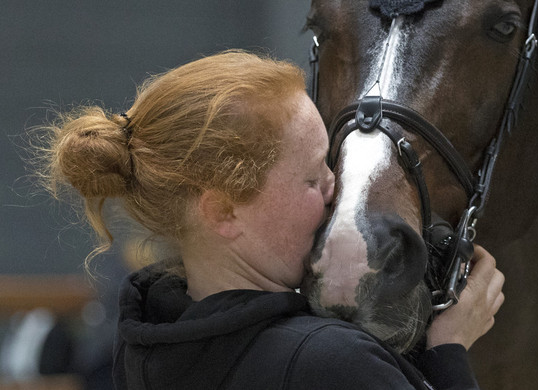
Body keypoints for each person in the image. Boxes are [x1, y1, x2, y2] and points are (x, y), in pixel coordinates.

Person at [40, 50, 505, 389]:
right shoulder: (330, 363)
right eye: (312, 177)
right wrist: (448, 353)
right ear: (223, 211)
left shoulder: (145, 341)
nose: (335, 188)